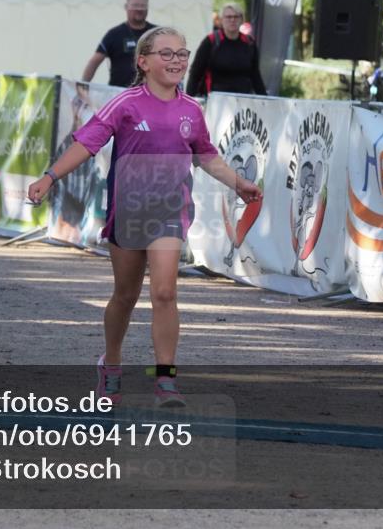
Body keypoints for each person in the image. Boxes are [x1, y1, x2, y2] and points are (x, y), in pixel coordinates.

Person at [28, 26, 262, 407]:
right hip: (129, 212)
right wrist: (50, 177)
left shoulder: (191, 109)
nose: (176, 61)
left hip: (170, 211)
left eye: (181, 54)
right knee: (125, 296)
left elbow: (204, 155)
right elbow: (88, 142)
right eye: (166, 54)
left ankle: (165, 381)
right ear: (143, 62)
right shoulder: (126, 104)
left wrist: (239, 183)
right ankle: (112, 365)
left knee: (165, 292)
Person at [185, 3, 267, 96]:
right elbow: (195, 73)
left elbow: (255, 75)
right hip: (215, 100)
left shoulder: (249, 43)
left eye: (236, 17)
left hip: (243, 101)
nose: (232, 20)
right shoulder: (210, 41)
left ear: (242, 20)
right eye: (228, 17)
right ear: (221, 20)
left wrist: (264, 99)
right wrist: (189, 101)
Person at [82, 0, 156, 87]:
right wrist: (81, 86)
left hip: (150, 95)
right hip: (119, 94)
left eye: (143, 6)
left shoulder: (157, 33)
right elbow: (94, 62)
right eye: (135, 5)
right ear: (126, 7)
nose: (139, 9)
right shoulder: (114, 34)